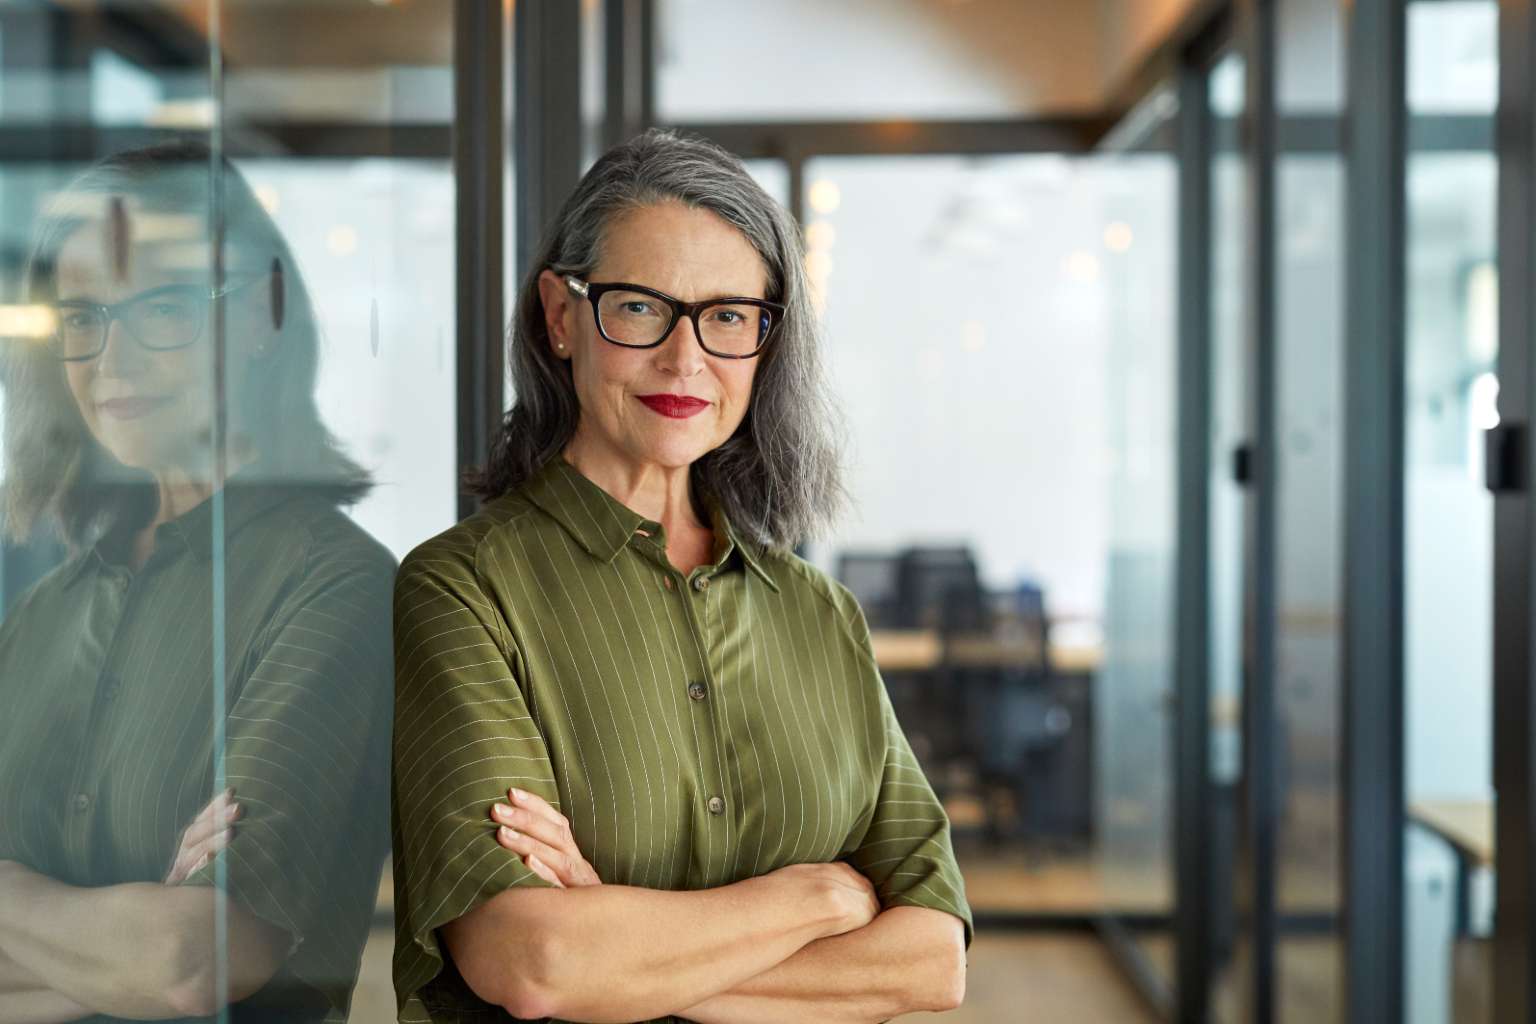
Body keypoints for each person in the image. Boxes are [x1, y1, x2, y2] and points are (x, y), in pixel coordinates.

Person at [392, 128, 972, 1024]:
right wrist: (815, 903)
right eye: (639, 307)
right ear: (560, 315)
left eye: (730, 315)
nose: (686, 358)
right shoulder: (462, 591)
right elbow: (533, 959)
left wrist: (616, 949)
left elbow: (930, 964)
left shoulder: (819, 612)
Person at [0, 142, 394, 1022]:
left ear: (259, 315)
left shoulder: (339, 589)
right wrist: (107, 940)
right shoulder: (38, 616)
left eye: (165, 307)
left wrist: (33, 914)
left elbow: (192, 962)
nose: (113, 360)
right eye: (82, 315)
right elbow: (146, 962)